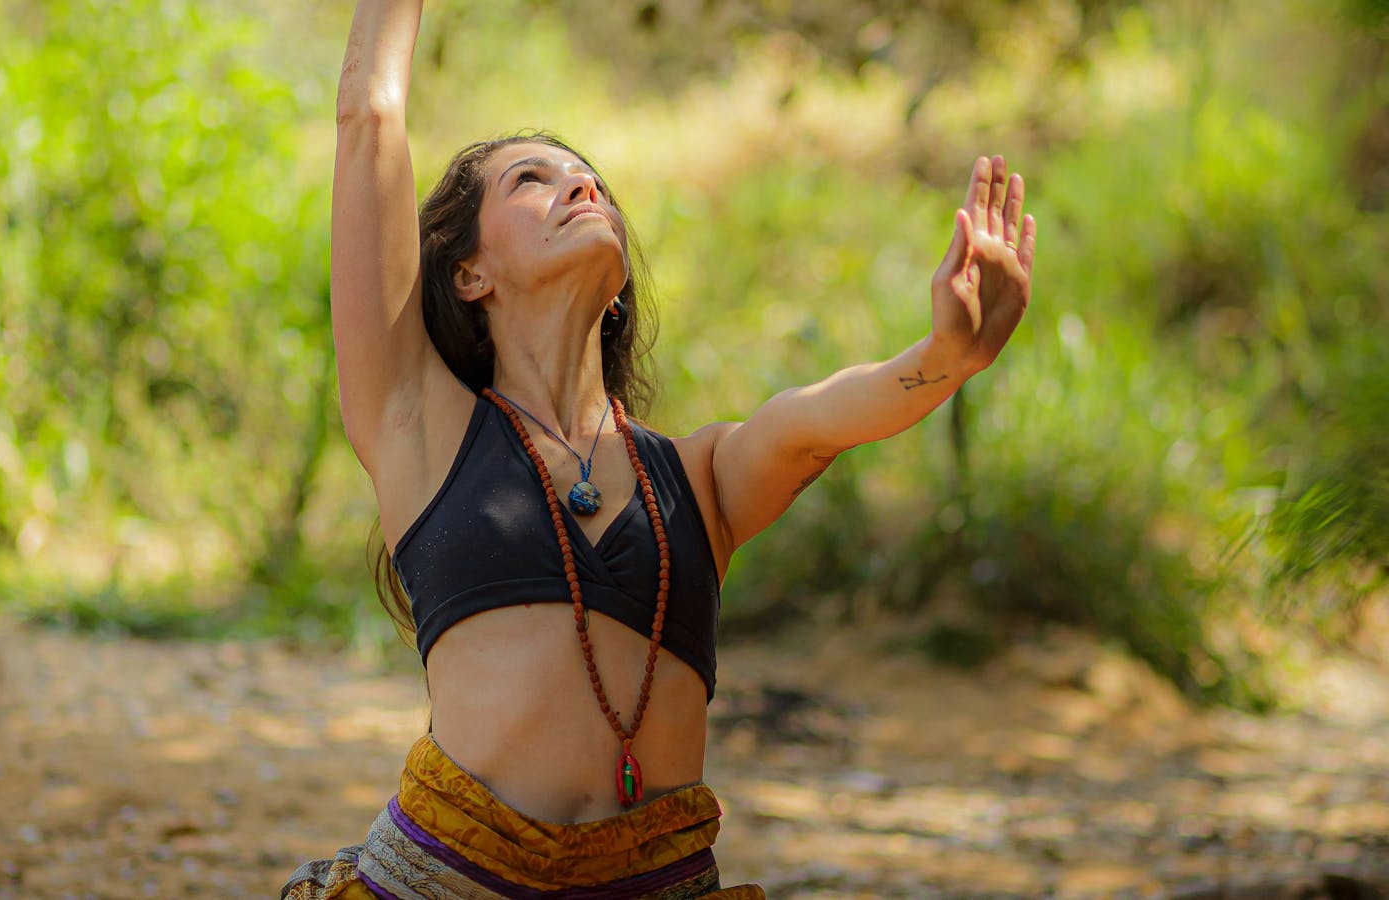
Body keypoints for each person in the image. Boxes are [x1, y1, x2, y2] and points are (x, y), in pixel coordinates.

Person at [284, 1, 1035, 896]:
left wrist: (949, 355)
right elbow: (371, 111)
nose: (582, 187)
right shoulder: (418, 426)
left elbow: (823, 416)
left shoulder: (698, 479)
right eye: (532, 180)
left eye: (592, 180)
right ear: (468, 273)